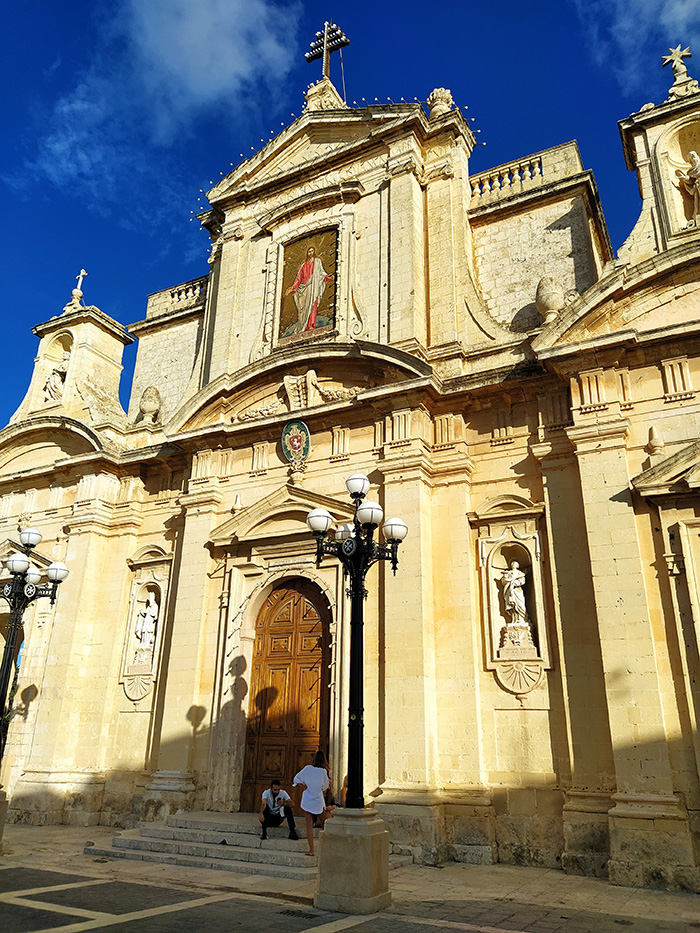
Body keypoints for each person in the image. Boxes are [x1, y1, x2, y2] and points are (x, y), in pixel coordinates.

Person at [284, 246, 334, 333]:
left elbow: (321, 273)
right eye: (309, 252)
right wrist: (293, 287)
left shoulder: (318, 262)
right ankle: (304, 326)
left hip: (313, 287)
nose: (310, 253)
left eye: (312, 251)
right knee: (304, 309)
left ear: (314, 252)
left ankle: (311, 325)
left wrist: (327, 277)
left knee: (313, 305)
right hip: (304, 289)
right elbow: (299, 278)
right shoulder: (303, 266)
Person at [293, 750, 330, 856]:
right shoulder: (323, 772)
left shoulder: (307, 768)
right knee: (325, 822)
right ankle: (326, 846)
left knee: (309, 826)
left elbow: (296, 779)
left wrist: (302, 785)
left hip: (307, 800)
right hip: (318, 800)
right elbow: (325, 786)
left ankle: (312, 850)